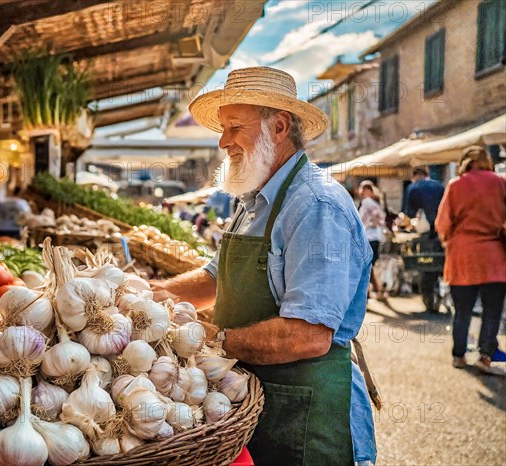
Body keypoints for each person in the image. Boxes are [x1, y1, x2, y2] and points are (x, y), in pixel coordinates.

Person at [151, 67, 376, 465]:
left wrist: (213, 341)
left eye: (235, 127)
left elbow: (307, 335)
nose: (223, 142)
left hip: (308, 413)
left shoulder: (315, 206)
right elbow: (215, 278)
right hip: (256, 401)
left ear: (278, 127)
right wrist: (152, 297)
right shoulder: (251, 201)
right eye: (222, 128)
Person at [435, 146, 506, 375]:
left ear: (465, 163)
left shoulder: (456, 184)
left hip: (462, 255)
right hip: (494, 256)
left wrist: (449, 241)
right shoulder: (500, 182)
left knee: (462, 310)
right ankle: (485, 357)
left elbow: (443, 223)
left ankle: (459, 356)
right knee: (492, 311)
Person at [403, 167, 445, 312]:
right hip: (443, 232)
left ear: (417, 175)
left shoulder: (414, 187)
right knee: (441, 265)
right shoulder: (441, 185)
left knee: (428, 266)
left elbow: (409, 213)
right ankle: (441, 296)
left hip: (427, 233)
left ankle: (429, 300)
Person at [358, 180, 386, 300]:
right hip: (374, 236)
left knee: (367, 265)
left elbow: (375, 218)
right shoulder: (374, 202)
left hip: (369, 236)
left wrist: (370, 222)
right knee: (369, 265)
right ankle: (376, 290)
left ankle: (372, 291)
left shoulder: (367, 203)